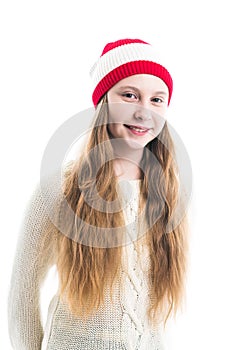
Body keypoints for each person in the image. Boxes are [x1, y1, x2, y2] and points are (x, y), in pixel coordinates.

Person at [8, 38, 190, 350]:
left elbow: (152, 315)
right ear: (104, 101)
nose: (144, 111)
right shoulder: (60, 190)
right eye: (130, 95)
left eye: (157, 99)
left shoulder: (168, 191)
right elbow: (22, 296)